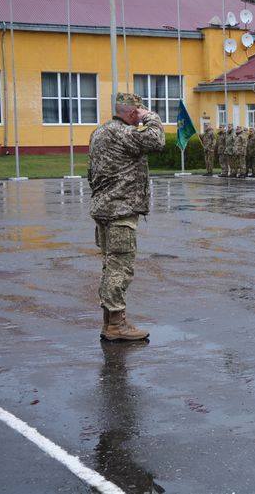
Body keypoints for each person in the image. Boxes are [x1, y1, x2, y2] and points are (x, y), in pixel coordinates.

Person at [88, 91, 165, 341]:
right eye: (138, 112)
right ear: (132, 112)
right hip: (119, 211)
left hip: (105, 209)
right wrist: (151, 117)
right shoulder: (122, 132)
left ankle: (110, 322)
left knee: (111, 266)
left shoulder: (99, 132)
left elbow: (92, 172)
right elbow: (156, 140)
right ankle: (115, 325)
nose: (139, 117)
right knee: (120, 268)